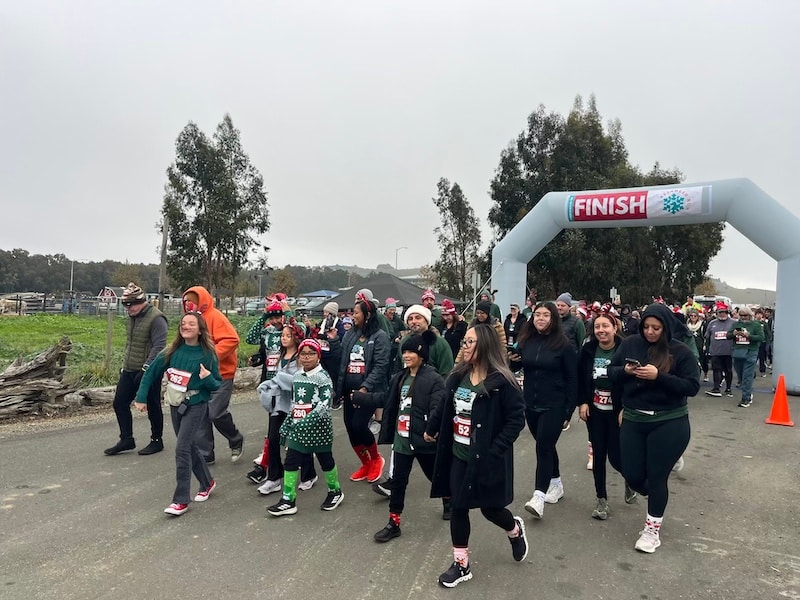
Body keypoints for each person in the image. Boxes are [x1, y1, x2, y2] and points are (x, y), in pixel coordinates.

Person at [425, 324, 527, 588]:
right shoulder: (458, 375)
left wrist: (495, 450)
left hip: (487, 458)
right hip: (458, 455)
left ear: (484, 345)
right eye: (464, 342)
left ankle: (514, 530)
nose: (465, 346)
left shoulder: (503, 382)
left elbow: (516, 421)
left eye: (470, 342)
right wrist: (431, 429)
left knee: (490, 509)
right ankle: (461, 564)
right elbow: (444, 404)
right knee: (458, 506)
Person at [609, 303, 700, 553]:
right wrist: (626, 371)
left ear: (666, 327)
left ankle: (652, 530)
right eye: (646, 327)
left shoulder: (679, 351)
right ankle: (659, 495)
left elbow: (692, 386)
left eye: (656, 328)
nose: (650, 332)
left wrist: (658, 376)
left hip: (669, 420)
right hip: (634, 418)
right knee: (632, 473)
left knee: (658, 477)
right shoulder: (630, 344)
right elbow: (612, 372)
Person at [352, 330, 446, 542]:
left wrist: (431, 429)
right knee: (399, 482)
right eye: (404, 352)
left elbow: (437, 408)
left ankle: (448, 499)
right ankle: (393, 523)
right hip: (402, 440)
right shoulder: (399, 378)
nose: (406, 356)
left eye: (411, 352)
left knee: (435, 476)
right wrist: (361, 397)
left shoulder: (434, 380)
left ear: (422, 355)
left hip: (424, 439)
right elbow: (385, 398)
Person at [134, 311, 221, 516]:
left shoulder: (207, 354)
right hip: (175, 404)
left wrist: (207, 378)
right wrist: (141, 397)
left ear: (200, 329)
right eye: (183, 323)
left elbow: (216, 384)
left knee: (181, 449)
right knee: (189, 446)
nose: (186, 327)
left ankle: (181, 500)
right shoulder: (172, 351)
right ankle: (207, 483)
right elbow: (151, 373)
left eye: (191, 324)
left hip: (196, 404)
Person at [509, 301, 577, 520]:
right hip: (531, 403)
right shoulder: (526, 340)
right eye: (537, 314)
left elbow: (572, 379)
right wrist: (513, 361)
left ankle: (538, 496)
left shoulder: (563, 345)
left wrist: (568, 411)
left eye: (546, 315)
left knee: (543, 447)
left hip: (554, 404)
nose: (540, 318)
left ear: (553, 318)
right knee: (546, 445)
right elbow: (519, 367)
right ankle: (556, 484)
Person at [267, 339, 345, 516]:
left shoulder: (323, 377)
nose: (306, 357)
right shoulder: (297, 376)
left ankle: (335, 491)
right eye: (303, 354)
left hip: (319, 429)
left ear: (318, 356)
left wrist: (305, 423)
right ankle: (288, 499)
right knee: (291, 461)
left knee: (326, 461)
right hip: (298, 429)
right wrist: (289, 422)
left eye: (311, 354)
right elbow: (295, 403)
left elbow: (324, 406)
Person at [577, 311, 636, 520]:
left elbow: (632, 381)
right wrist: (583, 401)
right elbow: (581, 377)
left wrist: (624, 408)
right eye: (597, 327)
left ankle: (631, 480)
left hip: (617, 411)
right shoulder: (588, 349)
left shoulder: (625, 348)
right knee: (598, 455)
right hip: (595, 411)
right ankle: (601, 500)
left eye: (605, 326)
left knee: (617, 457)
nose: (601, 331)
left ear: (614, 328)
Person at [250, 321, 318, 492]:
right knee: (272, 440)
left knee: (298, 441)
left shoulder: (302, 358)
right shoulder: (281, 356)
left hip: (297, 407)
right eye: (282, 335)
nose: (284, 338)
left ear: (296, 337)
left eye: (288, 335)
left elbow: (300, 380)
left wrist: (278, 378)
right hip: (279, 405)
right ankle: (274, 477)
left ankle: (309, 474)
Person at [182, 286, 244, 464]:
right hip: (199, 377)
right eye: (186, 302)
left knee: (215, 413)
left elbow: (232, 339)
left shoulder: (215, 317)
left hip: (221, 374)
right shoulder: (190, 321)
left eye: (192, 302)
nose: (188, 305)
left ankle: (235, 439)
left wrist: (211, 356)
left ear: (201, 301)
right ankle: (206, 453)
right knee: (200, 413)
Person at [104, 282, 168, 456]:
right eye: (125, 305)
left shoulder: (157, 318)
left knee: (153, 405)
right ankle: (127, 439)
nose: (127, 309)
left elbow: (159, 346)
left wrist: (147, 368)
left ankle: (157, 440)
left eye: (130, 305)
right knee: (120, 403)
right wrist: (125, 365)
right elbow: (131, 343)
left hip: (149, 370)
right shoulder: (132, 318)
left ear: (141, 302)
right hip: (130, 368)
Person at [336, 297, 391, 483]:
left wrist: (365, 387)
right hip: (349, 389)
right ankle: (365, 463)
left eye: (356, 312)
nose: (353, 315)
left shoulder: (380, 336)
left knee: (359, 425)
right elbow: (342, 358)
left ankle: (376, 459)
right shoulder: (351, 333)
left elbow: (381, 366)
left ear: (367, 315)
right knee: (350, 428)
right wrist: (334, 342)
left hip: (369, 391)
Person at [726, 306, 764, 408]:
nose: (743, 317)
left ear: (750, 315)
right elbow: (727, 336)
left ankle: (745, 398)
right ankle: (748, 391)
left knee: (747, 376)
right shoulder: (736, 324)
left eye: (745, 315)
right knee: (741, 376)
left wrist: (748, 336)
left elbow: (761, 337)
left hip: (751, 352)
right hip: (737, 352)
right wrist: (733, 334)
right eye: (741, 315)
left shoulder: (756, 325)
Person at [704, 302, 735, 397]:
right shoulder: (712, 323)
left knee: (728, 370)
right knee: (716, 370)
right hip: (715, 352)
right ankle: (716, 388)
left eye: (724, 312)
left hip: (728, 352)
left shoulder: (733, 323)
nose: (722, 314)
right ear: (717, 313)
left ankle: (728, 388)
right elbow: (707, 337)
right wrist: (706, 348)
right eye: (720, 312)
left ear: (728, 312)